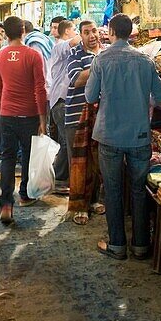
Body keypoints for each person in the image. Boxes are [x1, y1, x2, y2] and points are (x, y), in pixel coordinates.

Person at [85, 13, 161, 261]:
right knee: (139, 190)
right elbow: (160, 97)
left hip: (109, 135)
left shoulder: (101, 60)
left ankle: (117, 245)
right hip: (139, 135)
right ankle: (141, 246)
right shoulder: (145, 60)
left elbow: (90, 97)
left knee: (113, 190)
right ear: (130, 32)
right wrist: (142, 102)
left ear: (110, 31)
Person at [0, 15, 47, 224]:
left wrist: (5, 104)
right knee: (27, 155)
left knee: (7, 158)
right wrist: (42, 118)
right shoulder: (33, 55)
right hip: (30, 114)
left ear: (5, 33)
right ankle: (25, 194)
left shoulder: (0, 56)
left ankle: (6, 203)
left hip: (6, 114)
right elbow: (39, 89)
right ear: (23, 30)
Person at [65, 20, 102, 222]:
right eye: (86, 32)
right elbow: (76, 79)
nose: (92, 35)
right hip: (76, 116)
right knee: (78, 163)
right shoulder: (75, 55)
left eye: (94, 31)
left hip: (99, 116)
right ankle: (80, 206)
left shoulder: (105, 53)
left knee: (95, 159)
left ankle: (94, 200)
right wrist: (99, 65)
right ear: (81, 35)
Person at [45, 19, 79, 191]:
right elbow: (75, 41)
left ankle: (60, 177)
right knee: (67, 142)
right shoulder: (60, 46)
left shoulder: (70, 50)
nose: (77, 33)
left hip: (64, 101)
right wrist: (94, 32)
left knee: (66, 141)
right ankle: (59, 177)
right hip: (61, 101)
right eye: (75, 29)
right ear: (67, 32)